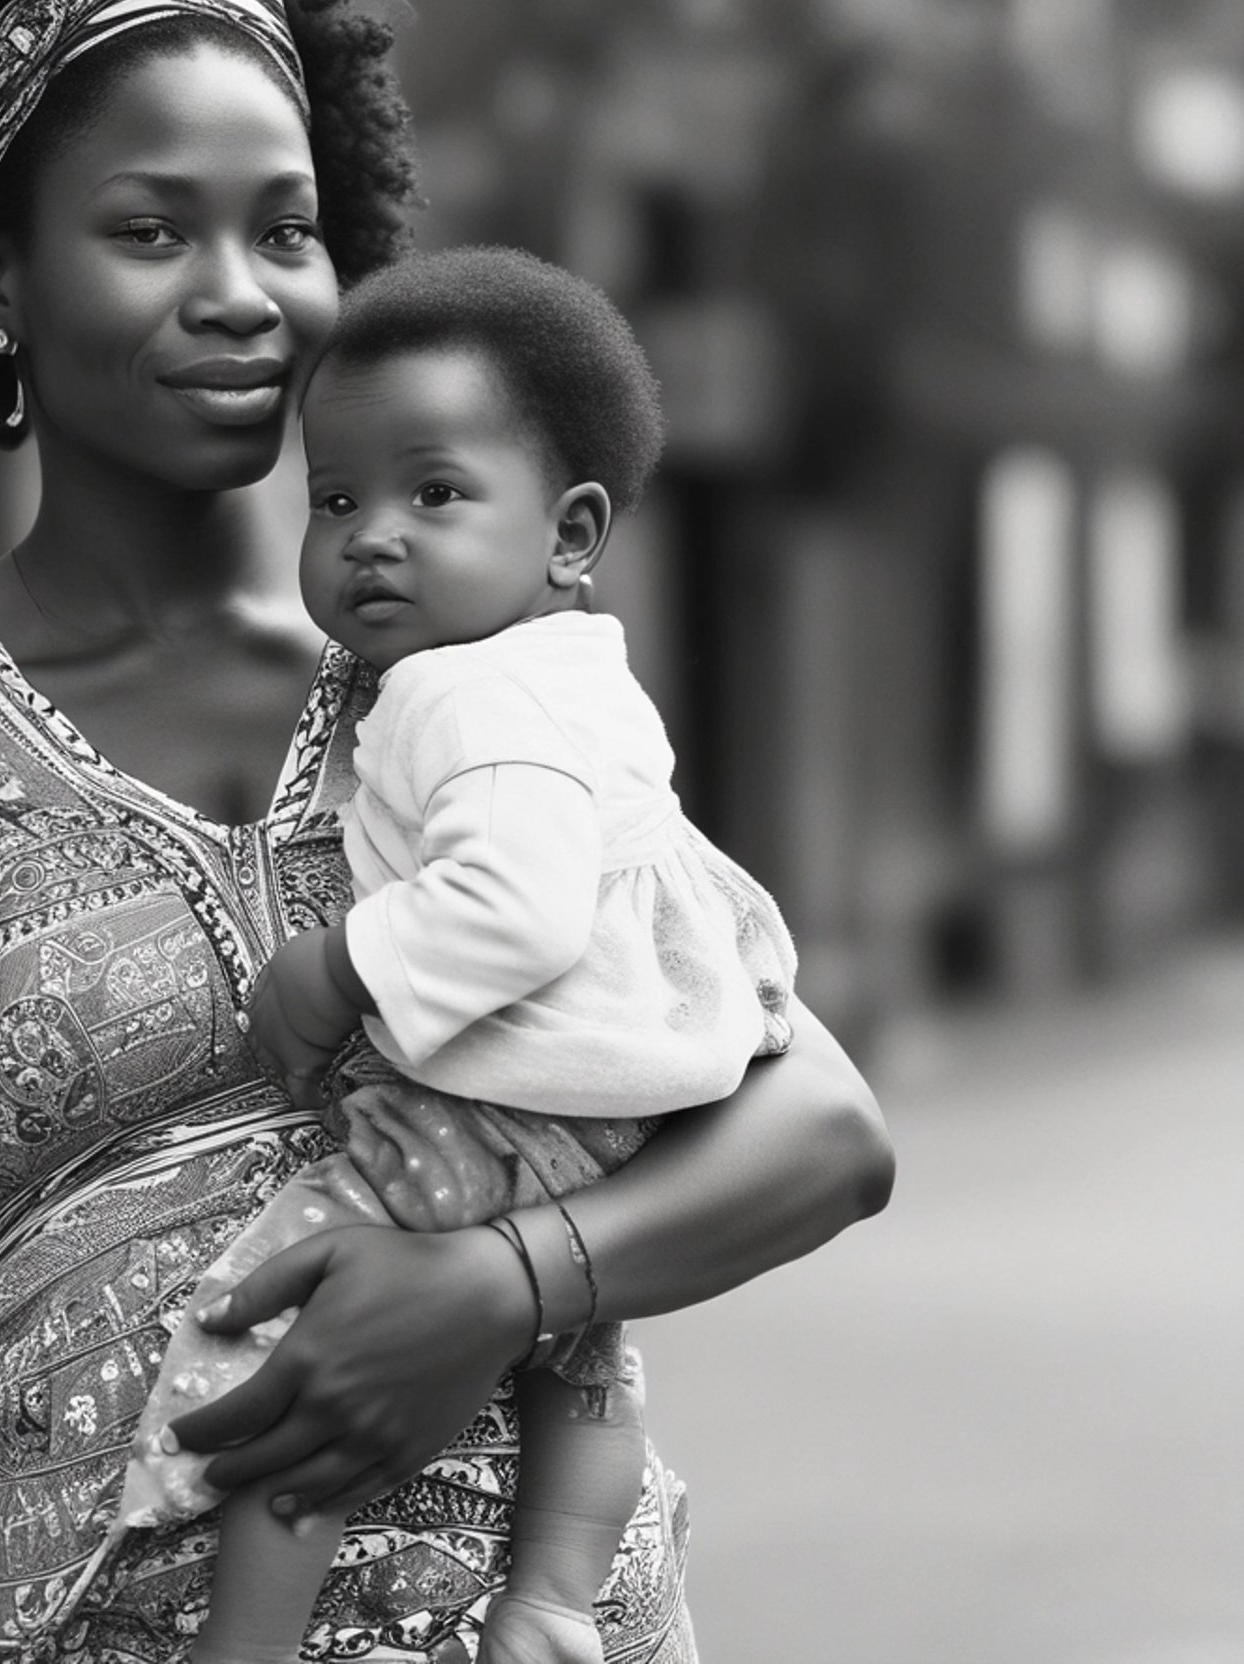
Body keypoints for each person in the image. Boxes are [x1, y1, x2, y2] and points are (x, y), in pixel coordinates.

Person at [0, 0, 895, 1664]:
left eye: (287, 232)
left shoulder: (479, 683)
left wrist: (496, 1289)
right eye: (153, 232)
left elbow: (822, 1128)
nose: (244, 296)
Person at [109, 246, 803, 1664]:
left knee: (278, 1353)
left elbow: (517, 906)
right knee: (587, 1360)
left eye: (436, 495)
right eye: (338, 500)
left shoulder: (453, 693)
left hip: (512, 1102)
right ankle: (551, 1596)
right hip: (638, 1090)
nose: (374, 537)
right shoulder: (577, 672)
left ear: (569, 532)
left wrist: (334, 968)